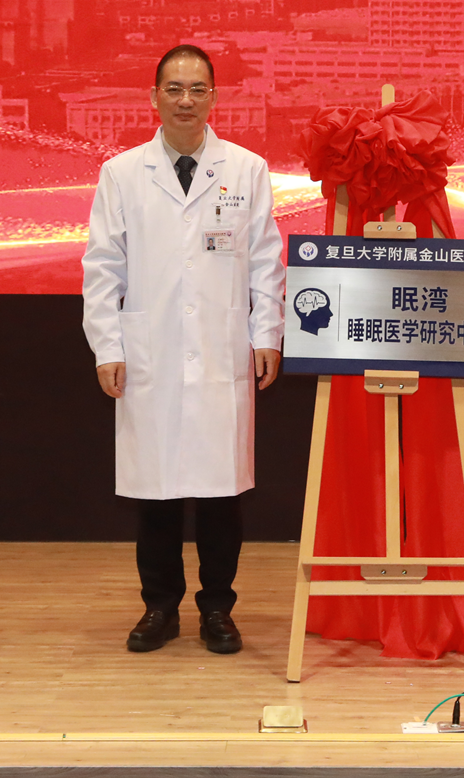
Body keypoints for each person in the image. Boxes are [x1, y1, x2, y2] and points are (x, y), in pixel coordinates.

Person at [82, 44, 285, 656]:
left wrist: (267, 334)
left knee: (222, 494)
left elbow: (266, 261)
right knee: (157, 493)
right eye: (174, 88)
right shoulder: (122, 173)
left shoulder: (246, 169)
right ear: (154, 97)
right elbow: (102, 266)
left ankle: (218, 609)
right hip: (153, 353)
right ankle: (160, 607)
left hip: (222, 348)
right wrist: (107, 345)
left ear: (214, 98)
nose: (186, 100)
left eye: (198, 89)